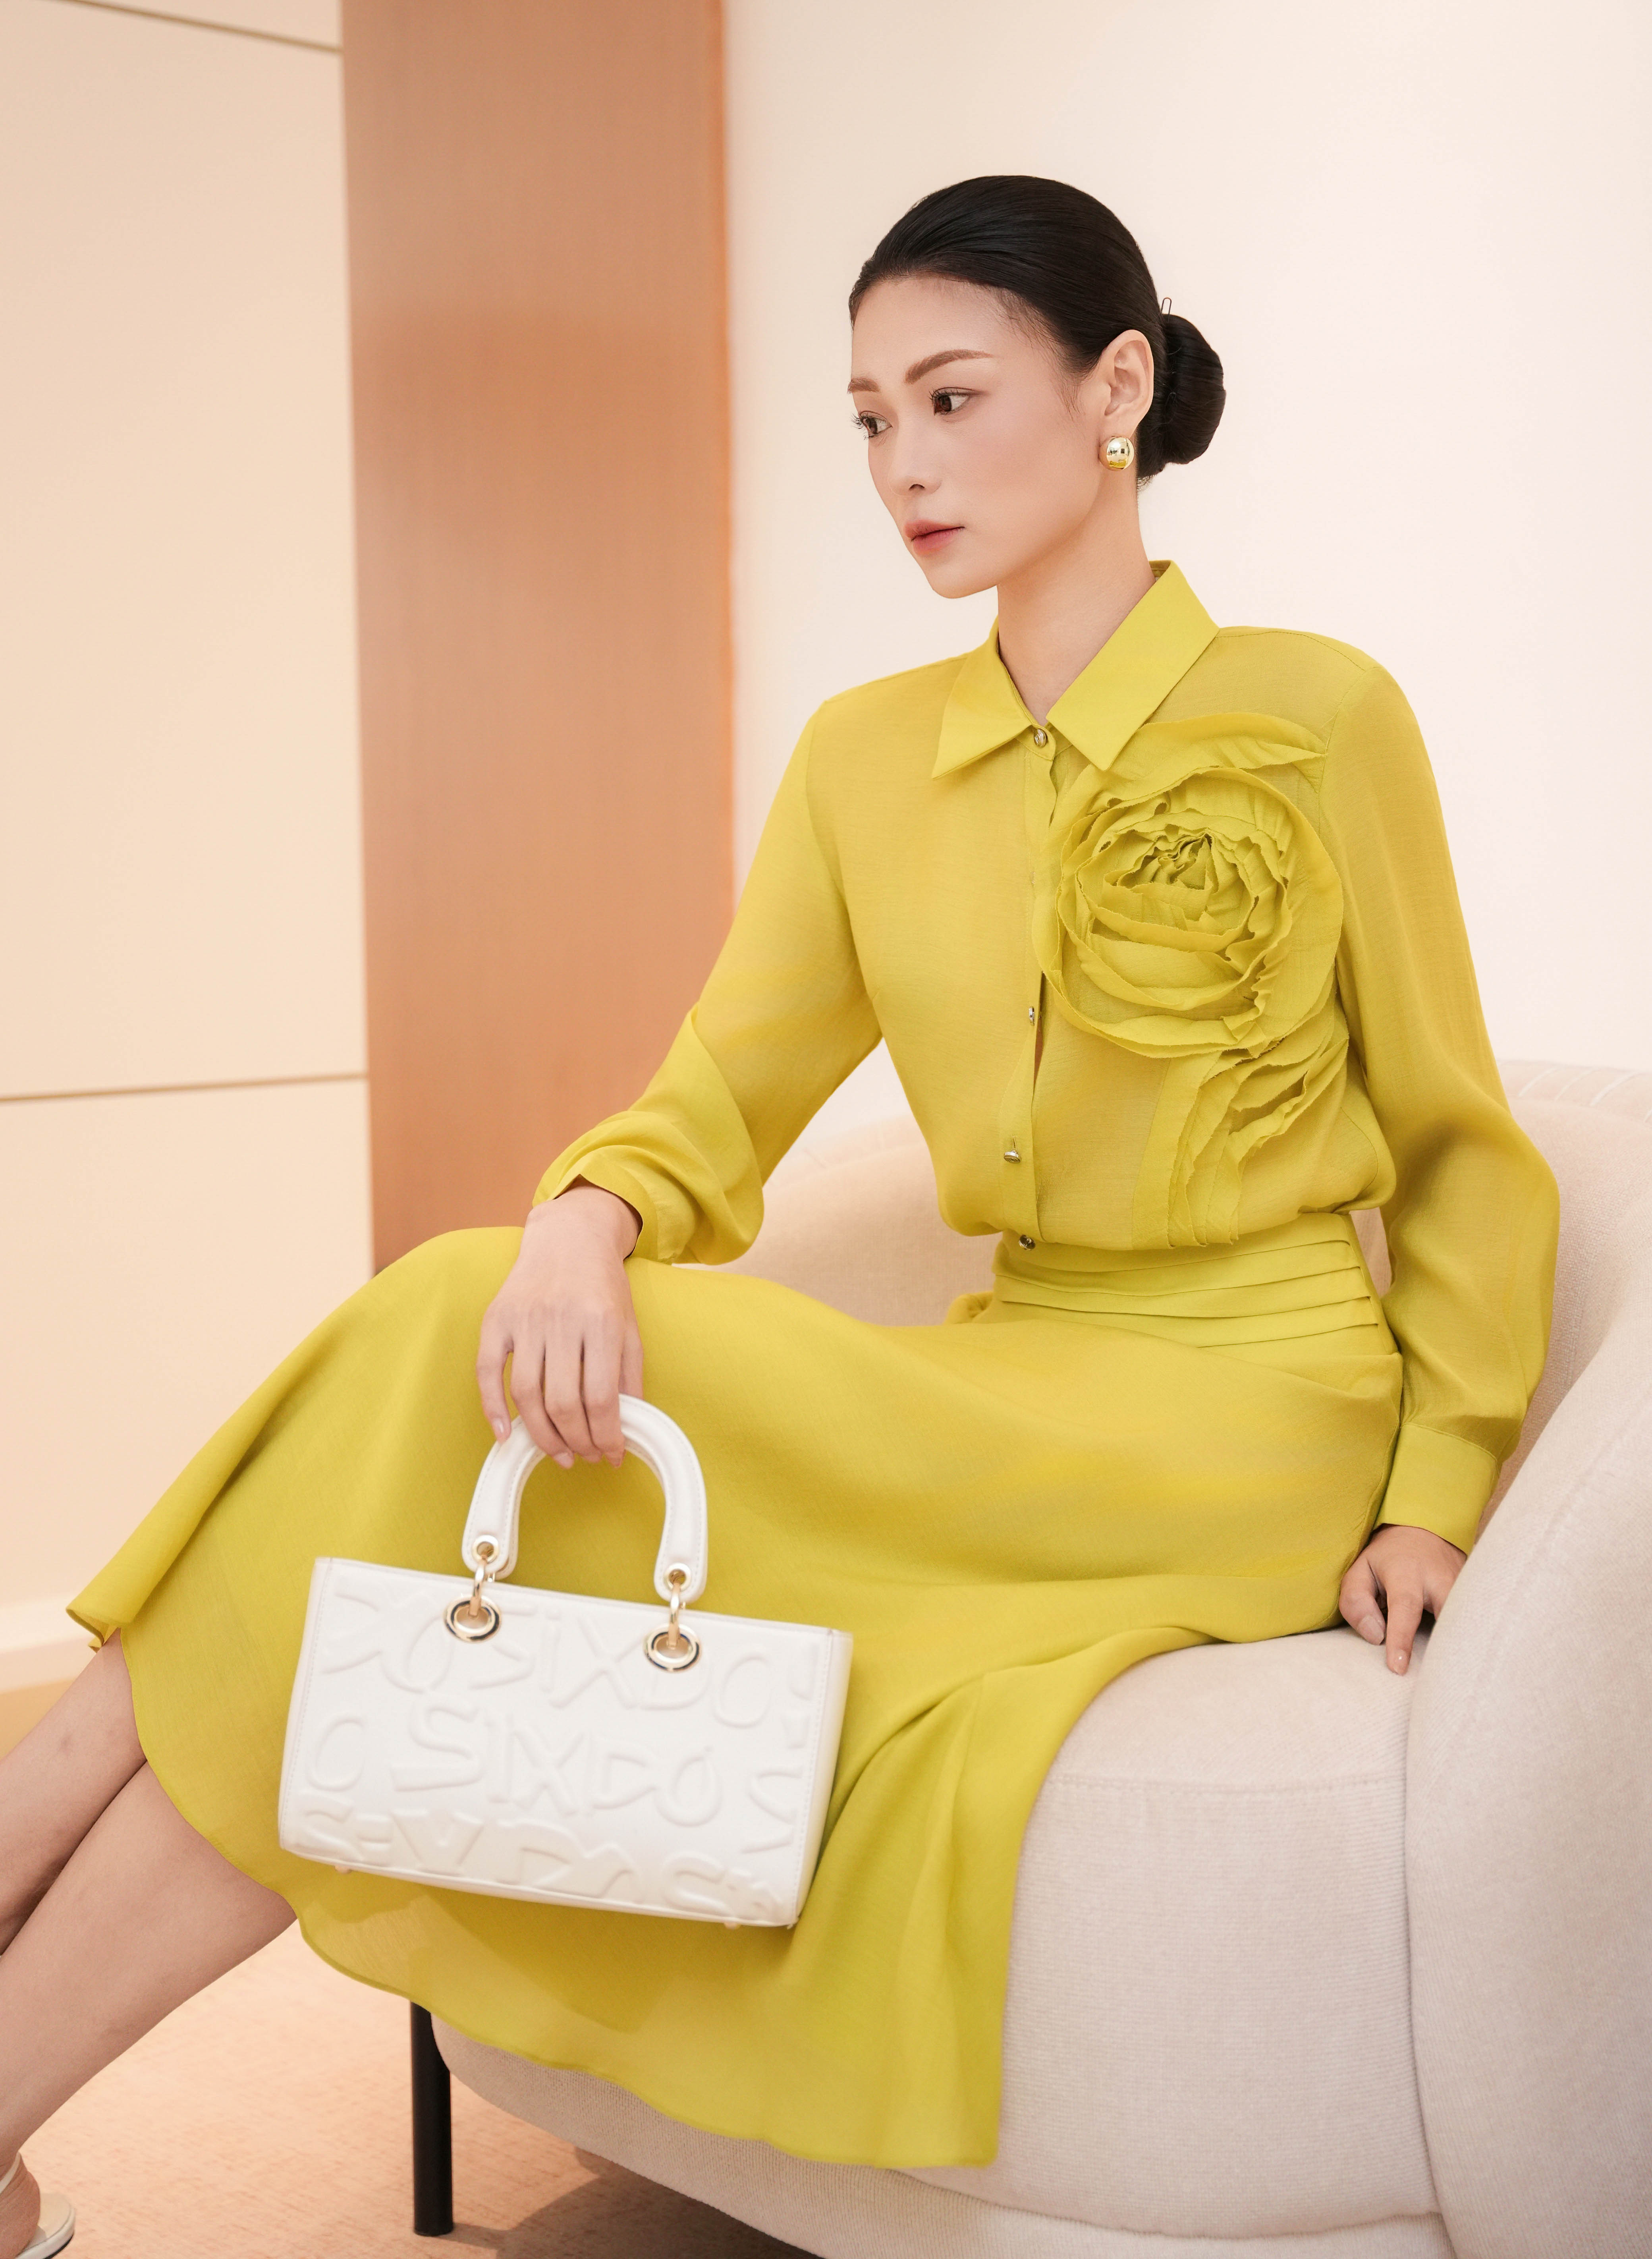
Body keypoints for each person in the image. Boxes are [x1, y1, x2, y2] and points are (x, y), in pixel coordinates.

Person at [0, 175, 1557, 2257]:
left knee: (418, 1376)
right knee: (426, 1415)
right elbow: (721, 1097)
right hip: (1021, 1371)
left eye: (951, 399)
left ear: (1116, 391)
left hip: (1252, 1420)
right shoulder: (861, 762)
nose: (904, 465)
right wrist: (587, 1219)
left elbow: (1457, 1142)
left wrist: (1437, 1494)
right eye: (870, 420)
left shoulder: (1322, 713)